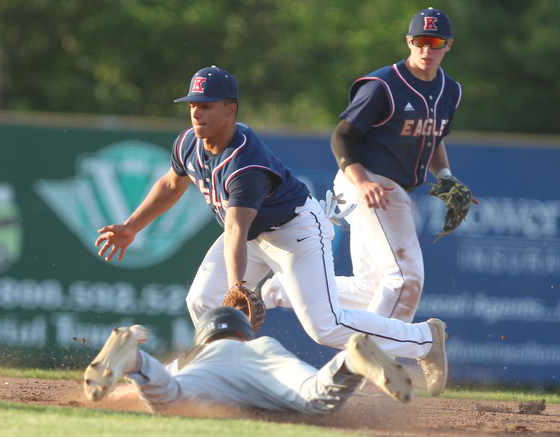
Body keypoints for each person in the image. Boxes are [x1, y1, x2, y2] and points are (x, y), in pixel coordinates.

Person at [95, 65, 448, 396]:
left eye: (206, 105)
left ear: (230, 110)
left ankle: (425, 340)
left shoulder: (245, 162)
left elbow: (235, 230)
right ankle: (230, 376)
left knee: (325, 326)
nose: (196, 113)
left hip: (294, 233)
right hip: (251, 234)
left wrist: (237, 287)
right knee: (201, 300)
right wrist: (131, 226)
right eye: (192, 105)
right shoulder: (188, 142)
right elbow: (172, 185)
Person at [261, 8, 475, 324]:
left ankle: (279, 290)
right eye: (420, 41)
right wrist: (362, 183)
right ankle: (370, 357)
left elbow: (432, 138)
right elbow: (342, 137)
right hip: (369, 182)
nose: (427, 49)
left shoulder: (450, 91)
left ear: (448, 45)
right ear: (409, 41)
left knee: (369, 289)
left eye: (436, 41)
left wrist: (444, 175)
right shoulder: (383, 85)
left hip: (389, 189)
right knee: (406, 278)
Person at [84, 306, 415, 413]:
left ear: (204, 336)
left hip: (204, 367)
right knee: (314, 395)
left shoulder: (192, 356)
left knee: (168, 396)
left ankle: (134, 361)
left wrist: (114, 396)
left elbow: (148, 393)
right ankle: (349, 362)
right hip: (262, 358)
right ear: (244, 333)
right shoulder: (260, 346)